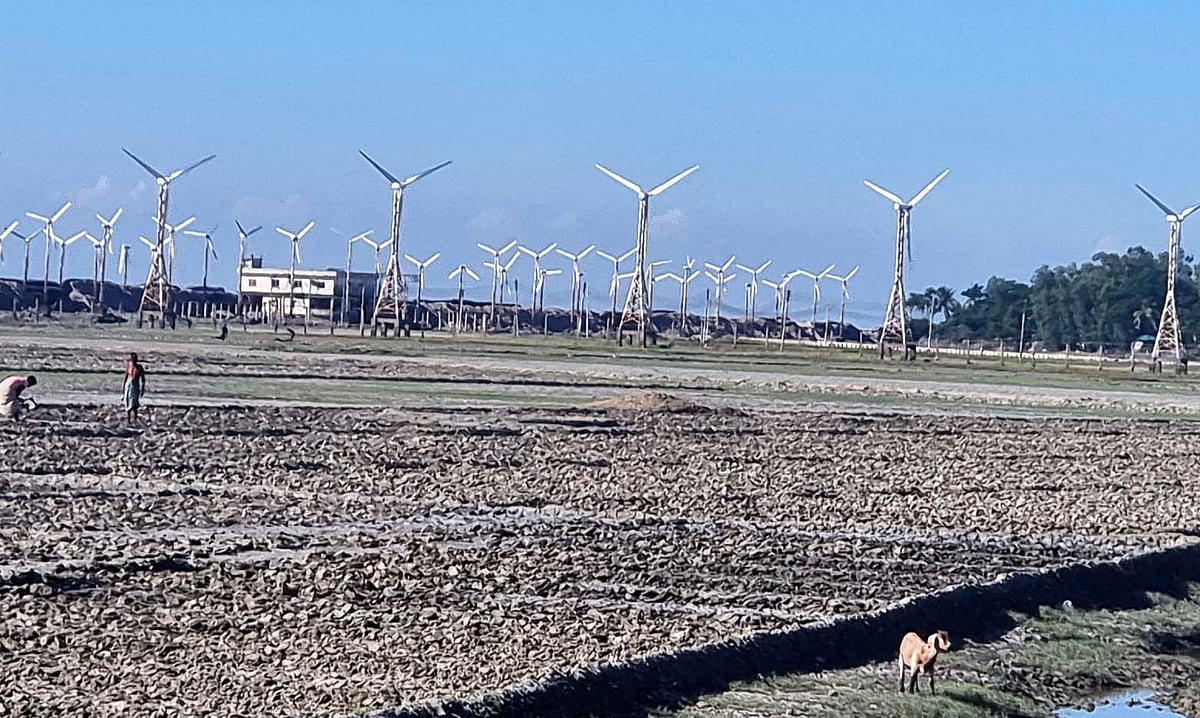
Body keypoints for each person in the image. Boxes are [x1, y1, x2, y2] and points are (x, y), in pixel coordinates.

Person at [123, 353, 146, 425]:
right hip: (128, 385)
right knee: (127, 402)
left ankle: (135, 419)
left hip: (135, 385)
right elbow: (126, 377)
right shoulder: (129, 366)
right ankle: (128, 419)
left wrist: (142, 389)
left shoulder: (139, 367)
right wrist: (123, 388)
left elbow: (143, 379)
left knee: (134, 403)